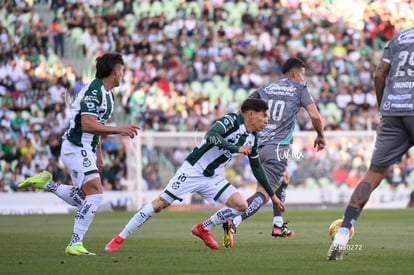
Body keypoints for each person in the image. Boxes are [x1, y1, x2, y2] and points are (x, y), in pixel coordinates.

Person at [104, 98, 285, 252]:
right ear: (251, 114)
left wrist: (272, 196)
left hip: (212, 177)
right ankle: (120, 237)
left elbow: (257, 168)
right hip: (193, 169)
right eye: (264, 115)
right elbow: (211, 135)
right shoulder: (232, 120)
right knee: (160, 204)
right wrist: (236, 148)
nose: (266, 120)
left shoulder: (253, 138)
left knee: (241, 205)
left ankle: (203, 228)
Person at [18, 53, 140, 256]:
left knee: (84, 198)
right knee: (96, 194)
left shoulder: (109, 94)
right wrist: (119, 130)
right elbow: (87, 124)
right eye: (123, 71)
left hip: (87, 149)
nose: (123, 75)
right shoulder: (95, 90)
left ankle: (45, 183)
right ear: (115, 71)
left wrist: (98, 152)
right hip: (75, 147)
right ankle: (75, 243)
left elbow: (97, 125)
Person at [327, 28, 414, 261]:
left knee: (373, 174)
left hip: (393, 111)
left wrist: (382, 110)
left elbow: (379, 74)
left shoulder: (398, 38)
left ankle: (342, 234)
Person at [223, 57, 326, 247]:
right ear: (295, 74)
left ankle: (278, 225)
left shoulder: (267, 88)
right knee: (264, 193)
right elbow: (315, 115)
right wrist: (320, 135)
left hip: (258, 144)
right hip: (277, 147)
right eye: (302, 75)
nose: (304, 79)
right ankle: (233, 221)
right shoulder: (300, 88)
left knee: (284, 178)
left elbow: (244, 109)